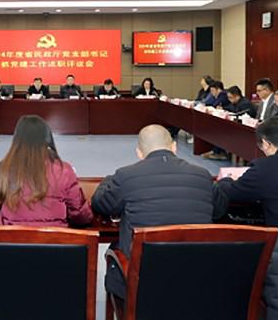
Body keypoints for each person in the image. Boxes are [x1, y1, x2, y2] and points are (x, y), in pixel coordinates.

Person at [92, 125, 227, 301]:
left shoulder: (126, 176)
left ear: (139, 153)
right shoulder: (202, 175)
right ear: (174, 147)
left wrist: (107, 181)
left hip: (144, 278)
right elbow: (220, 210)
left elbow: (101, 204)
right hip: (196, 273)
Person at [0, 115, 93, 227]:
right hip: (54, 237)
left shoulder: (4, 168)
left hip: (11, 237)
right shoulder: (63, 170)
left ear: (17, 139)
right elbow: (80, 215)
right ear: (47, 138)